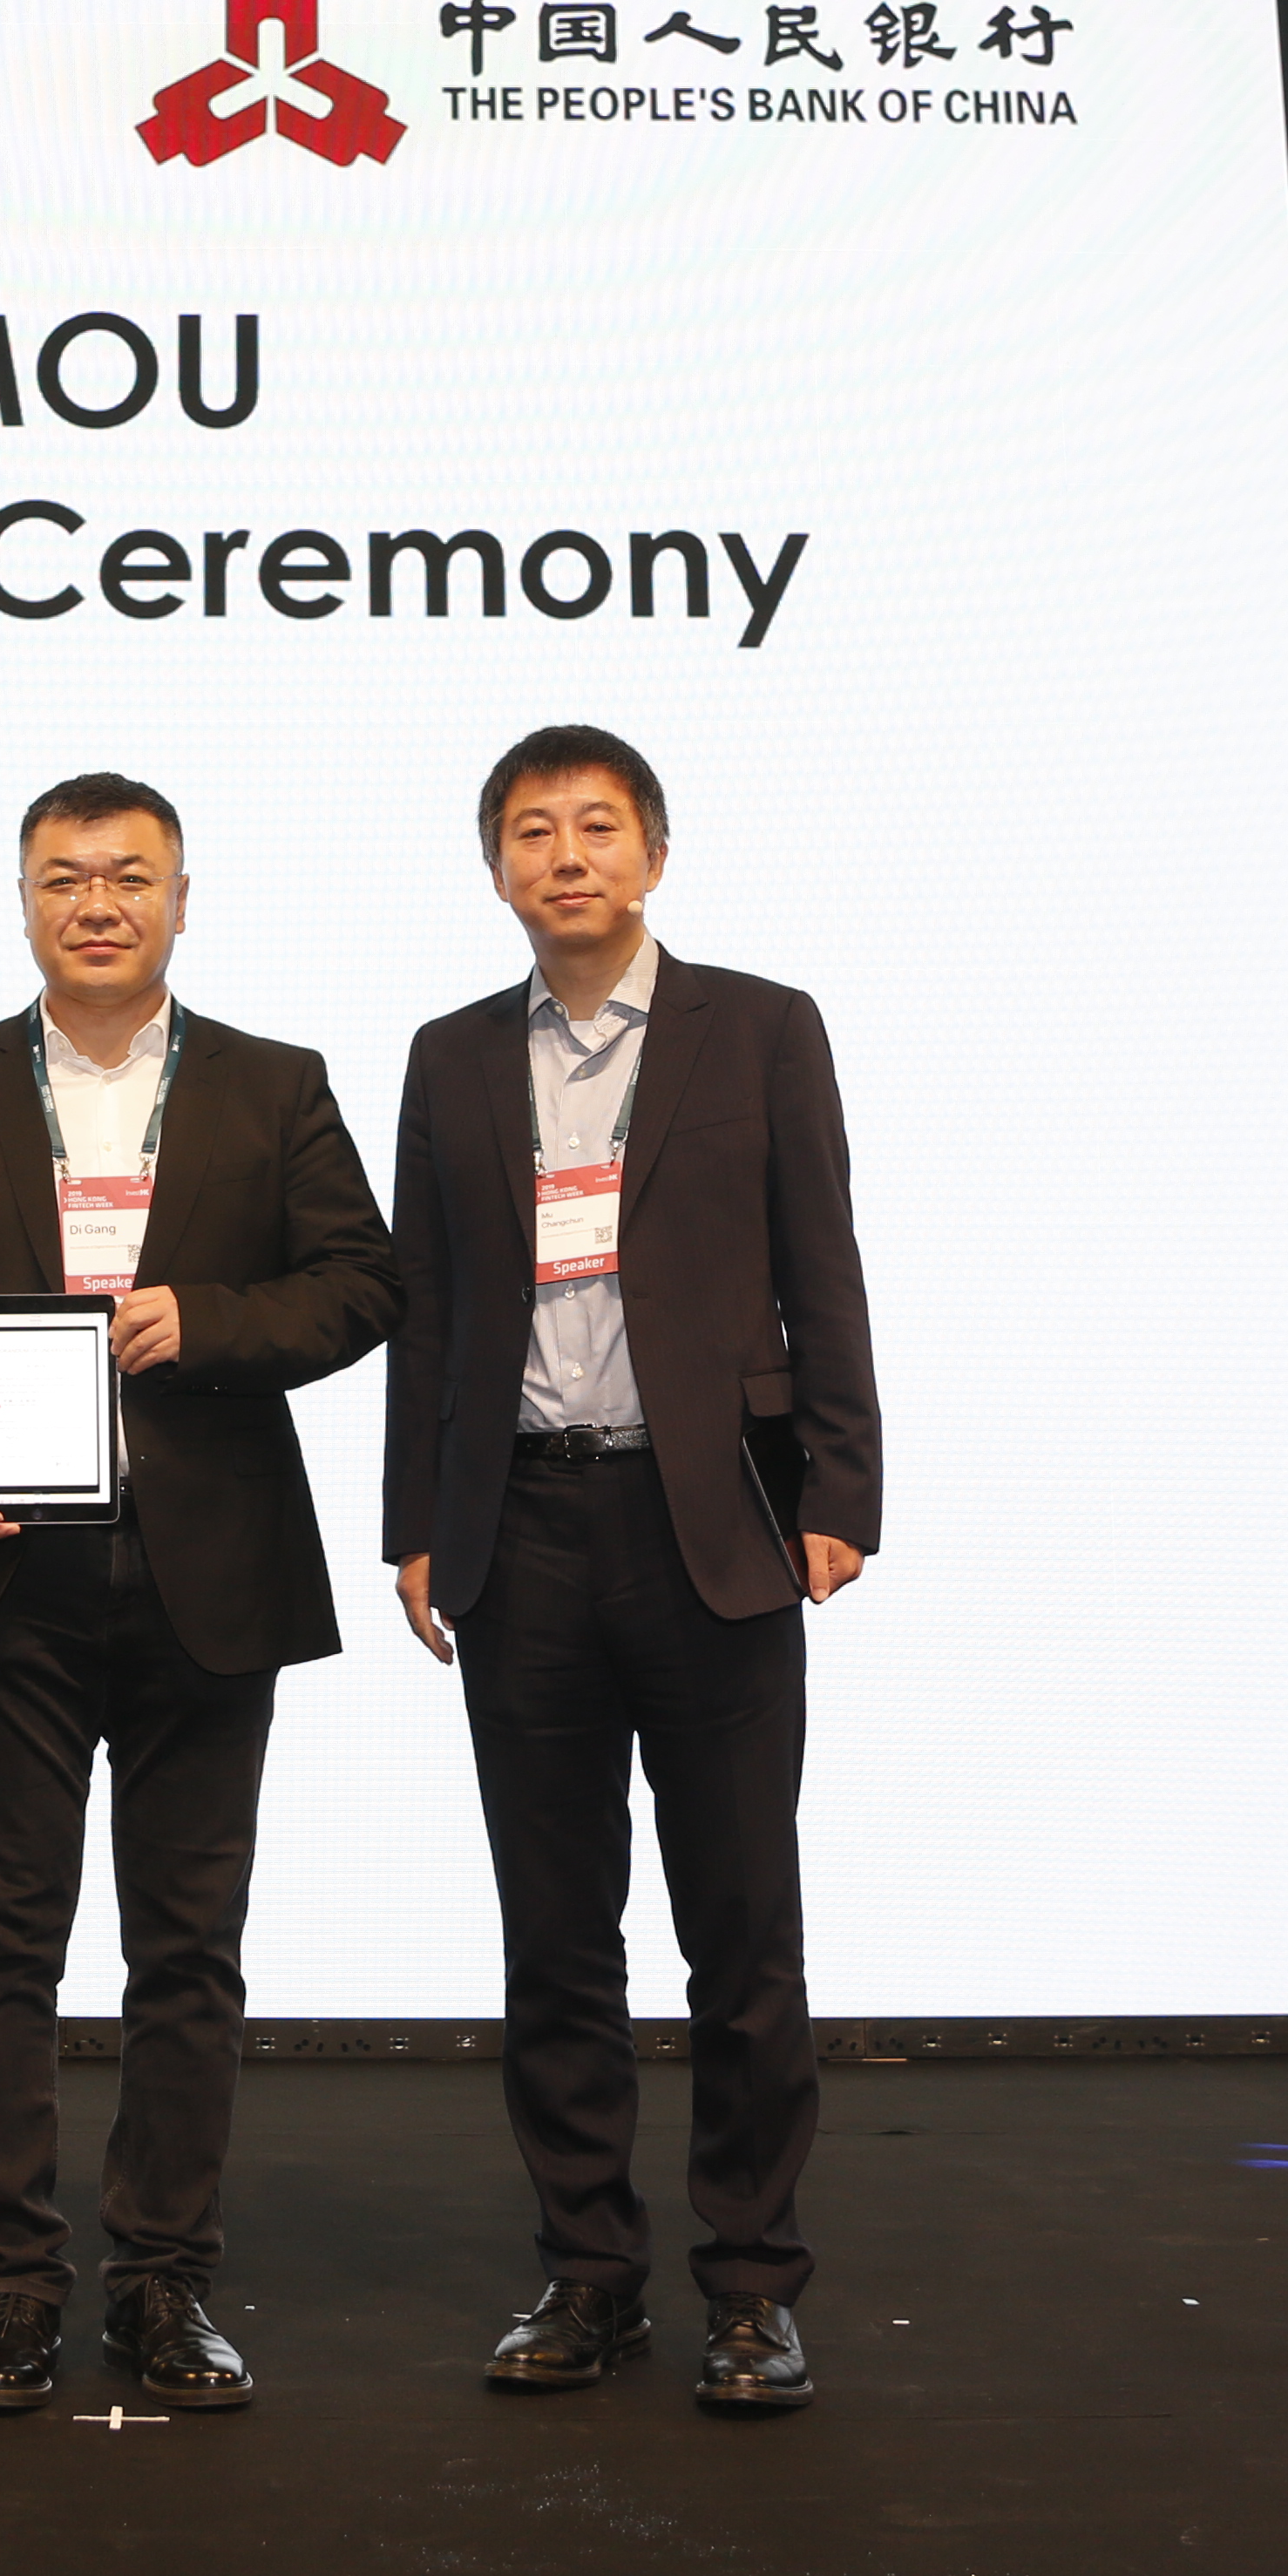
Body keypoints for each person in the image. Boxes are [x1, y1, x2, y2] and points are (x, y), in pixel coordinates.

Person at [0, 776, 398, 2415]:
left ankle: (167, 2284)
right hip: (1, 1566)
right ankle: (11, 2289)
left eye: (130, 878)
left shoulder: (272, 1083)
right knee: (0, 1944)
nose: (98, 904)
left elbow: (365, 1281)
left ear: (181, 898)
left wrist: (205, 1322)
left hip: (205, 1570)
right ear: (22, 903)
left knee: (188, 1949)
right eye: (64, 879)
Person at [380, 728, 881, 2415]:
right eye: (534, 832)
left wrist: (842, 1486)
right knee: (556, 1935)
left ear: (653, 853)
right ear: (499, 870)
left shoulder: (762, 1027)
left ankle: (752, 2285)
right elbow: (428, 1313)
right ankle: (587, 2274)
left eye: (598, 827)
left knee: (743, 1931)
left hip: (714, 1526)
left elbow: (827, 1263)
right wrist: (418, 1523)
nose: (567, 855)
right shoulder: (451, 1058)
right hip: (518, 1529)